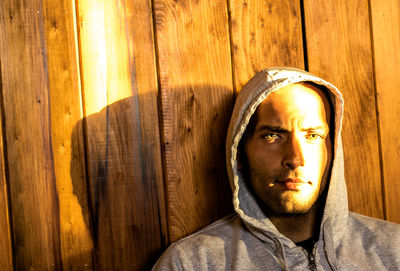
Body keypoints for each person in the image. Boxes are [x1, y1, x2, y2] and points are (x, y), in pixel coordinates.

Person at [152, 67, 400, 270]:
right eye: (273, 136)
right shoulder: (192, 263)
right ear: (239, 151)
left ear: (332, 151)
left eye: (313, 136)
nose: (295, 158)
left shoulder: (394, 249)